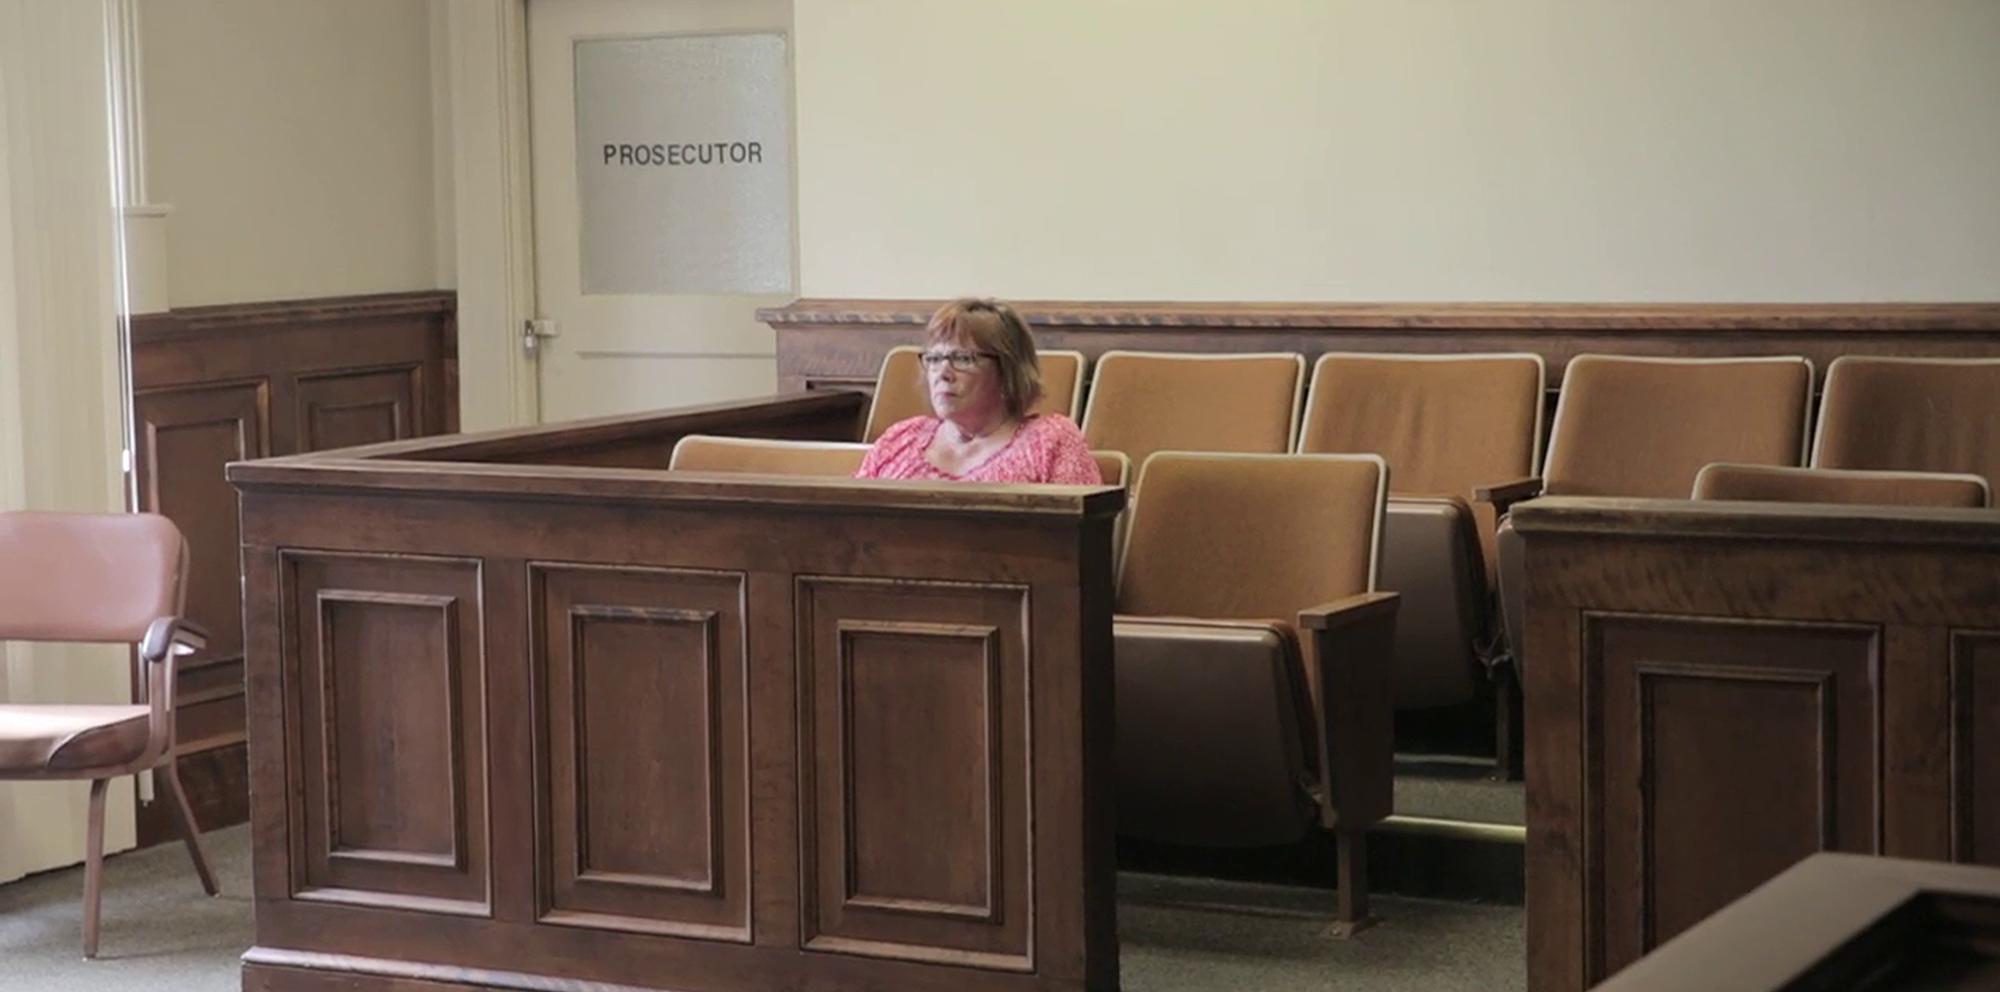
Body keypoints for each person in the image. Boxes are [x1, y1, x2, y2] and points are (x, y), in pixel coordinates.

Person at [856, 298, 1100, 484]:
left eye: (962, 358)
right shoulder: (900, 438)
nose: (943, 372)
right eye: (934, 358)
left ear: (1007, 369)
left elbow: (1081, 543)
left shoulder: (1050, 441)